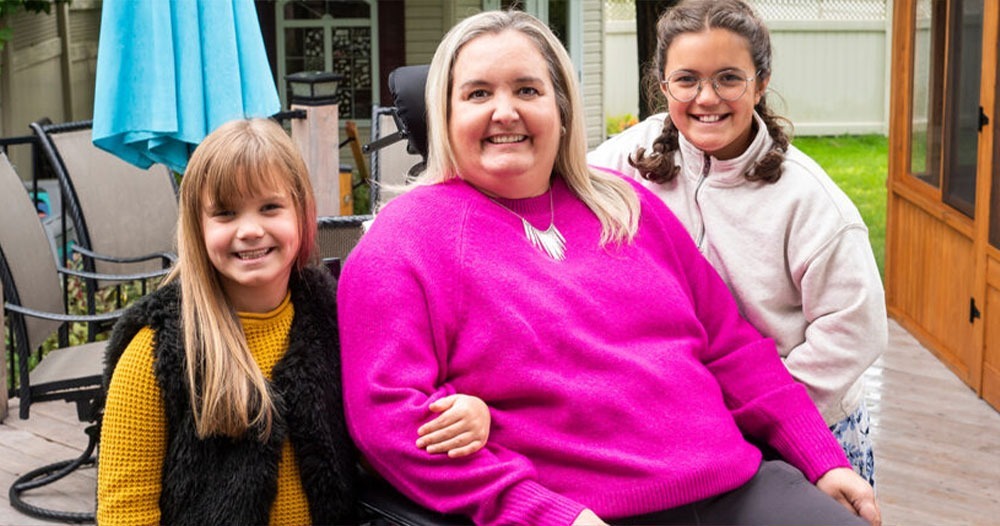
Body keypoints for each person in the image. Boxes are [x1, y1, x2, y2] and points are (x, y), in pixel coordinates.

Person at [338, 9, 880, 526]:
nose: (505, 111)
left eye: (528, 90)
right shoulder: (404, 241)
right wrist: (537, 512)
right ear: (445, 112)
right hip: (581, 511)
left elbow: (732, 348)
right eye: (478, 93)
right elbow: (389, 419)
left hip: (735, 484)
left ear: (561, 108)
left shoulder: (626, 205)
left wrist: (820, 456)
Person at [96, 118, 489, 524]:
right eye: (226, 213)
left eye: (270, 207)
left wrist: (472, 412)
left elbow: (390, 429)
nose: (249, 230)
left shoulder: (337, 322)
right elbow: (125, 511)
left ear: (302, 213)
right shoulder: (157, 353)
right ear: (197, 227)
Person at [587, 0, 886, 486]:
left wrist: (765, 409)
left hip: (805, 427)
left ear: (761, 82)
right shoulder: (624, 160)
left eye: (729, 78)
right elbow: (558, 194)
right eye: (686, 80)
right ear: (663, 86)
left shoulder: (808, 201)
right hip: (685, 428)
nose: (707, 97)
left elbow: (857, 328)